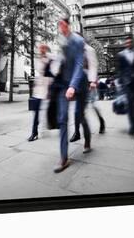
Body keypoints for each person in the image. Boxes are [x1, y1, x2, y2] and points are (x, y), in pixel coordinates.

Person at [53, 17, 90, 173]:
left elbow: (79, 65)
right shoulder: (61, 41)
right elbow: (60, 61)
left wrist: (73, 86)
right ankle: (64, 158)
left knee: (79, 116)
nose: (60, 27)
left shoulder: (77, 41)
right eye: (58, 24)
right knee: (62, 119)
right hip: (63, 84)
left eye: (62, 24)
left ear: (68, 25)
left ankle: (87, 140)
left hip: (79, 84)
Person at [70, 41, 105, 142]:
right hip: (80, 83)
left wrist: (93, 81)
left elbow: (93, 66)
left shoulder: (89, 50)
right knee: (78, 110)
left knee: (93, 105)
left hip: (90, 82)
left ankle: (101, 121)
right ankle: (77, 132)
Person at [28, 44, 53, 142]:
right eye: (40, 48)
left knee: (48, 110)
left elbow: (52, 73)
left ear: (47, 50)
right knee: (36, 111)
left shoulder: (50, 59)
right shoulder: (38, 60)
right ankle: (34, 132)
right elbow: (40, 71)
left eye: (43, 48)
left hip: (48, 88)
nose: (41, 50)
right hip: (39, 89)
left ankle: (47, 126)